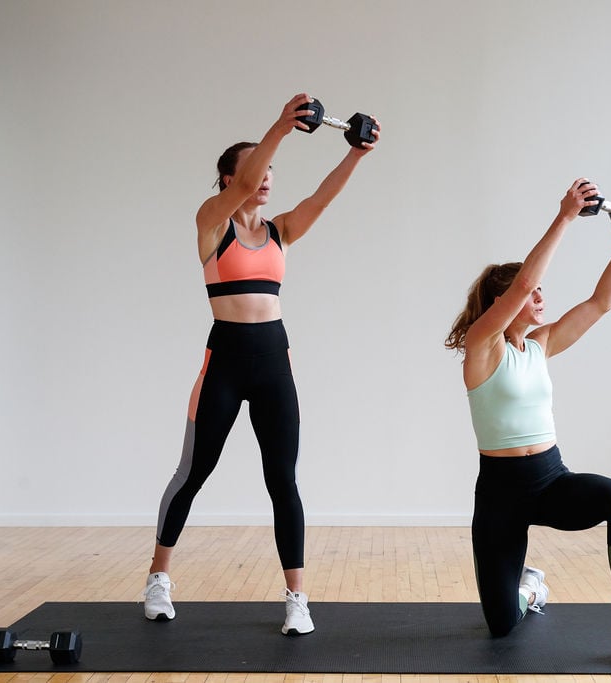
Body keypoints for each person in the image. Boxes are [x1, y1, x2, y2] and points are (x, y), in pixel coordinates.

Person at [142, 92, 380, 635]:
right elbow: (248, 185)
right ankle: (158, 577)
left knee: (284, 481)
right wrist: (279, 125)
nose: (266, 176)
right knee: (193, 472)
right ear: (227, 179)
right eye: (256, 168)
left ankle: (297, 596)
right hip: (224, 359)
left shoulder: (281, 231)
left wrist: (356, 155)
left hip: (274, 361)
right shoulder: (210, 224)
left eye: (272, 168)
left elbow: (321, 199)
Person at [445, 178, 611, 668]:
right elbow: (519, 285)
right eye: (531, 290)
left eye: (541, 289)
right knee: (501, 624)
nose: (539, 295)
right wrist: (564, 216)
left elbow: (600, 304)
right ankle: (529, 586)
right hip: (498, 494)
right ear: (504, 305)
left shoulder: (540, 346)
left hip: (549, 479)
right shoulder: (481, 348)